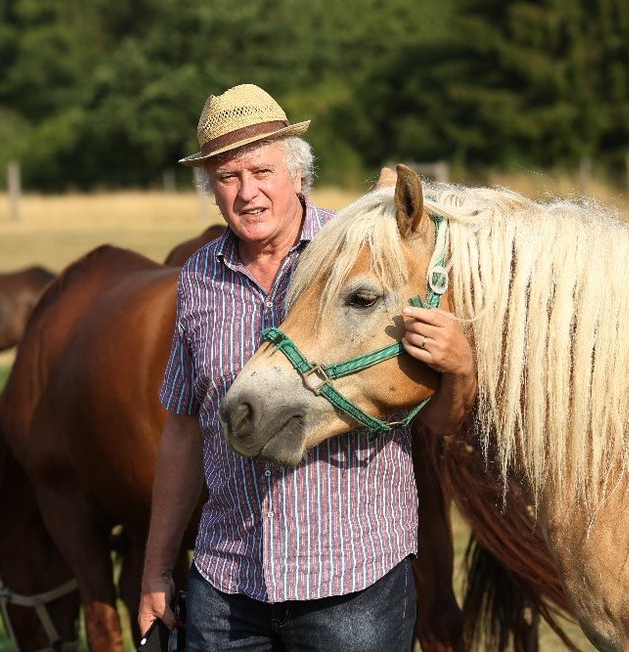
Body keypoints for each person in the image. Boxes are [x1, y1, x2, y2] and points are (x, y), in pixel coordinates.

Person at [137, 83, 475, 651]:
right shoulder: (198, 278)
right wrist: (156, 570)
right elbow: (184, 430)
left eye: (262, 171)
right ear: (212, 190)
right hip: (228, 584)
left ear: (297, 174)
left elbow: (439, 424)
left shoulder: (360, 252)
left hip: (353, 586)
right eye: (228, 176)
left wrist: (460, 368)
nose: (249, 193)